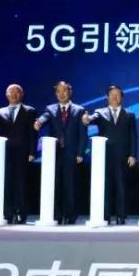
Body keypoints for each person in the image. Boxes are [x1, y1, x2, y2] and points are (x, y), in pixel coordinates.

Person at [82, 85, 138, 225]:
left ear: (122, 97)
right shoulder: (100, 112)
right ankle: (105, 215)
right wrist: (87, 119)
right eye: (112, 94)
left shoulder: (129, 114)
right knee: (105, 186)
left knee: (121, 186)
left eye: (117, 94)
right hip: (104, 156)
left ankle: (121, 216)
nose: (114, 97)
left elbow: (133, 136)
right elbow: (92, 118)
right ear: (107, 97)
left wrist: (132, 154)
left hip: (122, 156)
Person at [34, 81, 87, 225]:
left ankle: (70, 215)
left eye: (64, 91)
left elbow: (83, 134)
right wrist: (39, 122)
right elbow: (44, 117)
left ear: (70, 92)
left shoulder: (79, 110)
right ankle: (56, 214)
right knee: (55, 184)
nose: (61, 94)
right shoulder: (50, 109)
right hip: (54, 154)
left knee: (70, 185)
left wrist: (80, 152)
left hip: (72, 154)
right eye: (58, 91)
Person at [0, 84, 37, 224]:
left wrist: (32, 151)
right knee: (6, 182)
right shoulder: (0, 111)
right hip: (5, 153)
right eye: (11, 92)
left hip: (22, 152)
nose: (14, 94)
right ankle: (7, 213)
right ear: (6, 95)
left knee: (21, 184)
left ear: (22, 94)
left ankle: (21, 213)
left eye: (17, 92)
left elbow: (32, 133)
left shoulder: (30, 111)